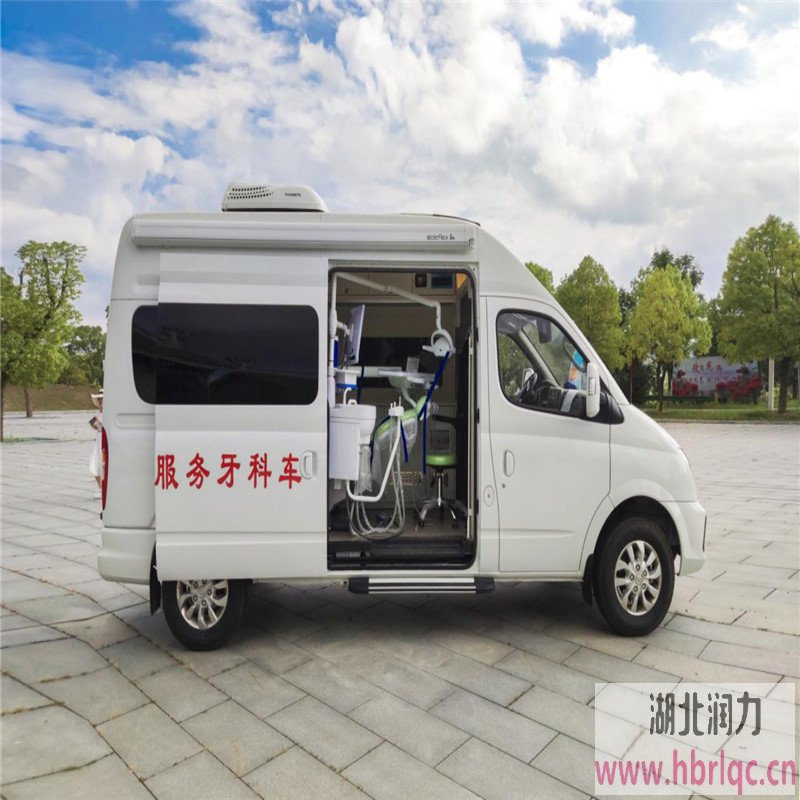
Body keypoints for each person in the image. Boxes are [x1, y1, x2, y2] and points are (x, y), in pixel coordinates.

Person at [89, 391, 104, 494]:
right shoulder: (100, 412)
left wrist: (99, 420)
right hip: (99, 438)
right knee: (94, 464)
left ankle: (102, 488)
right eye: (99, 399)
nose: (100, 400)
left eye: (101, 398)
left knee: (101, 463)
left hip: (104, 438)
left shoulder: (109, 412)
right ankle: (100, 488)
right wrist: (93, 424)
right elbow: (98, 427)